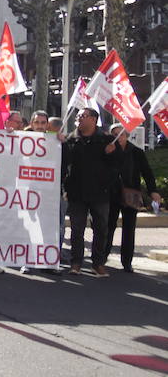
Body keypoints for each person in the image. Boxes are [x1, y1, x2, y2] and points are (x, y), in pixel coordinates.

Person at [62, 108, 118, 277]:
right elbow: (63, 164)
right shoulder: (70, 140)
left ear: (94, 119)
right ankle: (76, 262)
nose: (79, 119)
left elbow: (118, 165)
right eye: (78, 116)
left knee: (101, 228)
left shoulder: (107, 140)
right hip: (76, 193)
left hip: (100, 193)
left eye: (83, 116)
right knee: (77, 229)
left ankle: (98, 263)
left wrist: (112, 153)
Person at [106, 124, 161, 273]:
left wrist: (153, 191)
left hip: (131, 194)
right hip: (112, 194)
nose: (119, 137)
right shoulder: (109, 150)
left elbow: (147, 173)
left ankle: (127, 261)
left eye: (121, 134)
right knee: (108, 226)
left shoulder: (136, 152)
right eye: (115, 134)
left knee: (129, 228)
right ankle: (103, 257)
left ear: (127, 136)